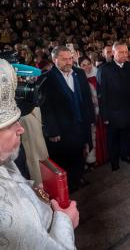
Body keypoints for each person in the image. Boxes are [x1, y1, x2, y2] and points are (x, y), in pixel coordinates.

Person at [0, 59, 79, 249]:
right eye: (12, 125)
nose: (20, 129)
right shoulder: (12, 217)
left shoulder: (4, 161)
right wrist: (65, 220)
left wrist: (33, 192)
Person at [40, 46, 95, 191]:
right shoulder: (46, 79)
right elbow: (46, 108)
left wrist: (90, 119)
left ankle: (79, 177)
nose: (68, 62)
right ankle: (67, 185)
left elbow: (87, 98)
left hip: (81, 124)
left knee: (80, 153)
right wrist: (52, 131)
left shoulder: (79, 73)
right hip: (62, 128)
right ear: (54, 59)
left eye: (70, 58)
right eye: (64, 59)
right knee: (64, 158)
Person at [99, 42, 130, 171]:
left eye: (126, 52)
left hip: (128, 109)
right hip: (113, 112)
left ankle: (125, 155)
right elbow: (102, 94)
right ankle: (114, 161)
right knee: (113, 138)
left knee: (127, 134)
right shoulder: (104, 69)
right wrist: (105, 115)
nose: (124, 55)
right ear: (113, 53)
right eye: (121, 52)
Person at [78, 55, 108, 167]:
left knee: (103, 135)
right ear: (79, 67)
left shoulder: (98, 73)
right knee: (91, 137)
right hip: (89, 113)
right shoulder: (79, 79)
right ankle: (92, 159)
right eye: (83, 65)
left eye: (88, 64)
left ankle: (104, 156)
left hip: (102, 112)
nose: (87, 67)